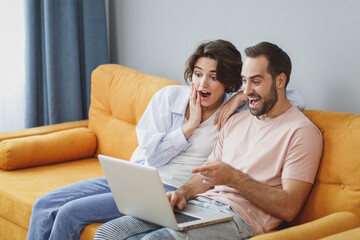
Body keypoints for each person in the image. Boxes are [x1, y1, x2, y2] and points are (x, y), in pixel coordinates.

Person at [26, 40, 304, 240]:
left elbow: (292, 99)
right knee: (44, 204)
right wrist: (189, 126)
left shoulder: (238, 109)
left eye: (214, 78)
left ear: (230, 83)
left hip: (169, 187)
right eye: (197, 75)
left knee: (70, 214)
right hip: (135, 175)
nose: (202, 85)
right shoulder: (168, 98)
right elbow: (152, 154)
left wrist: (240, 97)